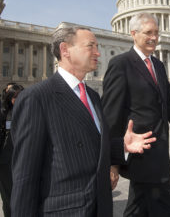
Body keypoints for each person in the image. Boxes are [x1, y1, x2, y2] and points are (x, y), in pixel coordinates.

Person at [11, 26, 156, 217]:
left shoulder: (93, 97)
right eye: (91, 46)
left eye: (97, 46)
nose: (98, 53)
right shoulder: (36, 97)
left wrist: (121, 146)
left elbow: (89, 147)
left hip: (100, 206)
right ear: (65, 50)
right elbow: (25, 177)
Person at [102, 12, 170, 217]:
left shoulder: (158, 65)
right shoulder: (121, 64)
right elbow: (111, 116)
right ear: (133, 34)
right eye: (148, 32)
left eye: (156, 32)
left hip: (159, 154)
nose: (154, 37)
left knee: (139, 207)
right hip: (140, 153)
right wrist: (112, 161)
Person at [0, 84, 23, 217]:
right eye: (15, 97)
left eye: (21, 96)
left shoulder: (28, 111)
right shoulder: (3, 112)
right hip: (6, 161)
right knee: (8, 197)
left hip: (23, 159)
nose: (18, 99)